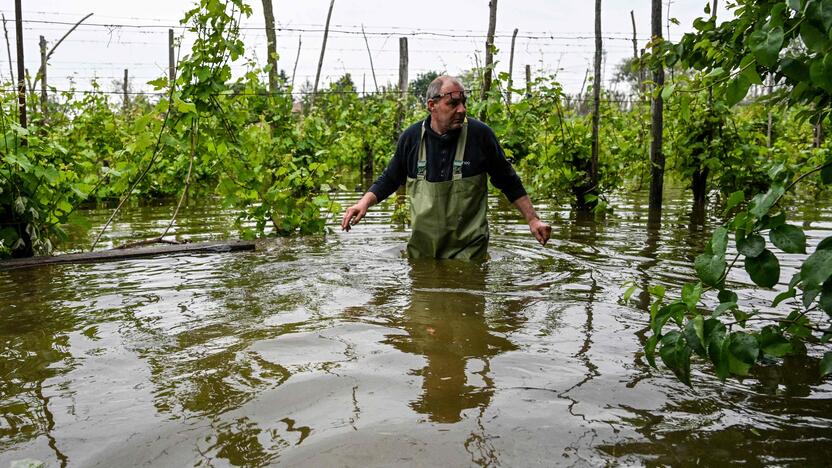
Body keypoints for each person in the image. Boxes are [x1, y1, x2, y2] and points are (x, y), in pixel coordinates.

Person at [340, 75, 551, 260]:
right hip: (422, 252)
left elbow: (508, 180)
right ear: (432, 105)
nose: (462, 109)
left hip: (469, 253)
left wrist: (533, 220)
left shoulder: (480, 136)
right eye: (453, 104)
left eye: (464, 103)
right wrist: (363, 203)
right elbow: (390, 178)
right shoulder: (411, 138)